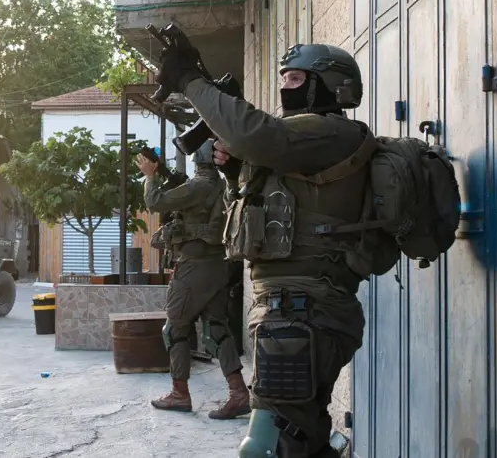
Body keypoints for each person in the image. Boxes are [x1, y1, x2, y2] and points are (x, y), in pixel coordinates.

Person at [154, 34, 374, 457]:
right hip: (292, 312)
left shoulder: (329, 132)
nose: (284, 87)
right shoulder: (307, 144)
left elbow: (256, 133)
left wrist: (192, 81)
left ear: (327, 85)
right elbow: (276, 204)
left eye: (295, 78)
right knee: (300, 438)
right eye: (284, 78)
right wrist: (238, 171)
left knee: (266, 447)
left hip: (302, 313)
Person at [136, 141, 250, 420]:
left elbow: (156, 201)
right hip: (217, 267)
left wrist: (150, 175)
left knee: (174, 328)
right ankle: (239, 393)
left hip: (193, 269)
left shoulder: (198, 187)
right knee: (216, 328)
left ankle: (179, 394)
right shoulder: (222, 186)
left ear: (195, 159)